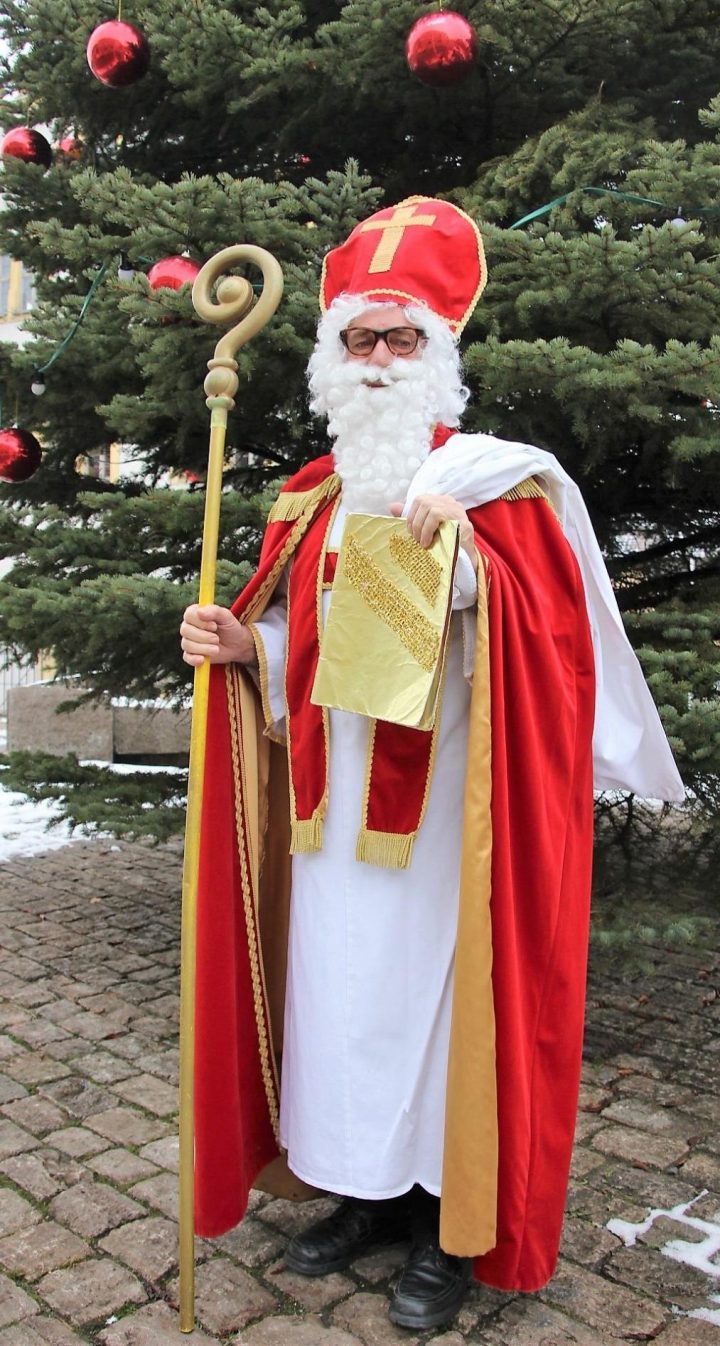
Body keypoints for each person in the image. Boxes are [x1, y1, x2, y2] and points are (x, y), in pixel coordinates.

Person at [180, 198, 684, 1331]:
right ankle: (361, 1190)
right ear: (330, 356)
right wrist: (239, 644)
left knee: (440, 1014)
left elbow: (554, 643)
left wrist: (460, 561)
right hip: (330, 818)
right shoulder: (309, 498)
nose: (376, 360)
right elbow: (298, 643)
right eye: (358, 339)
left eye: (400, 338)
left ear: (440, 356)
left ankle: (449, 1221)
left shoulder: (507, 483)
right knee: (340, 1006)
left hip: (459, 821)